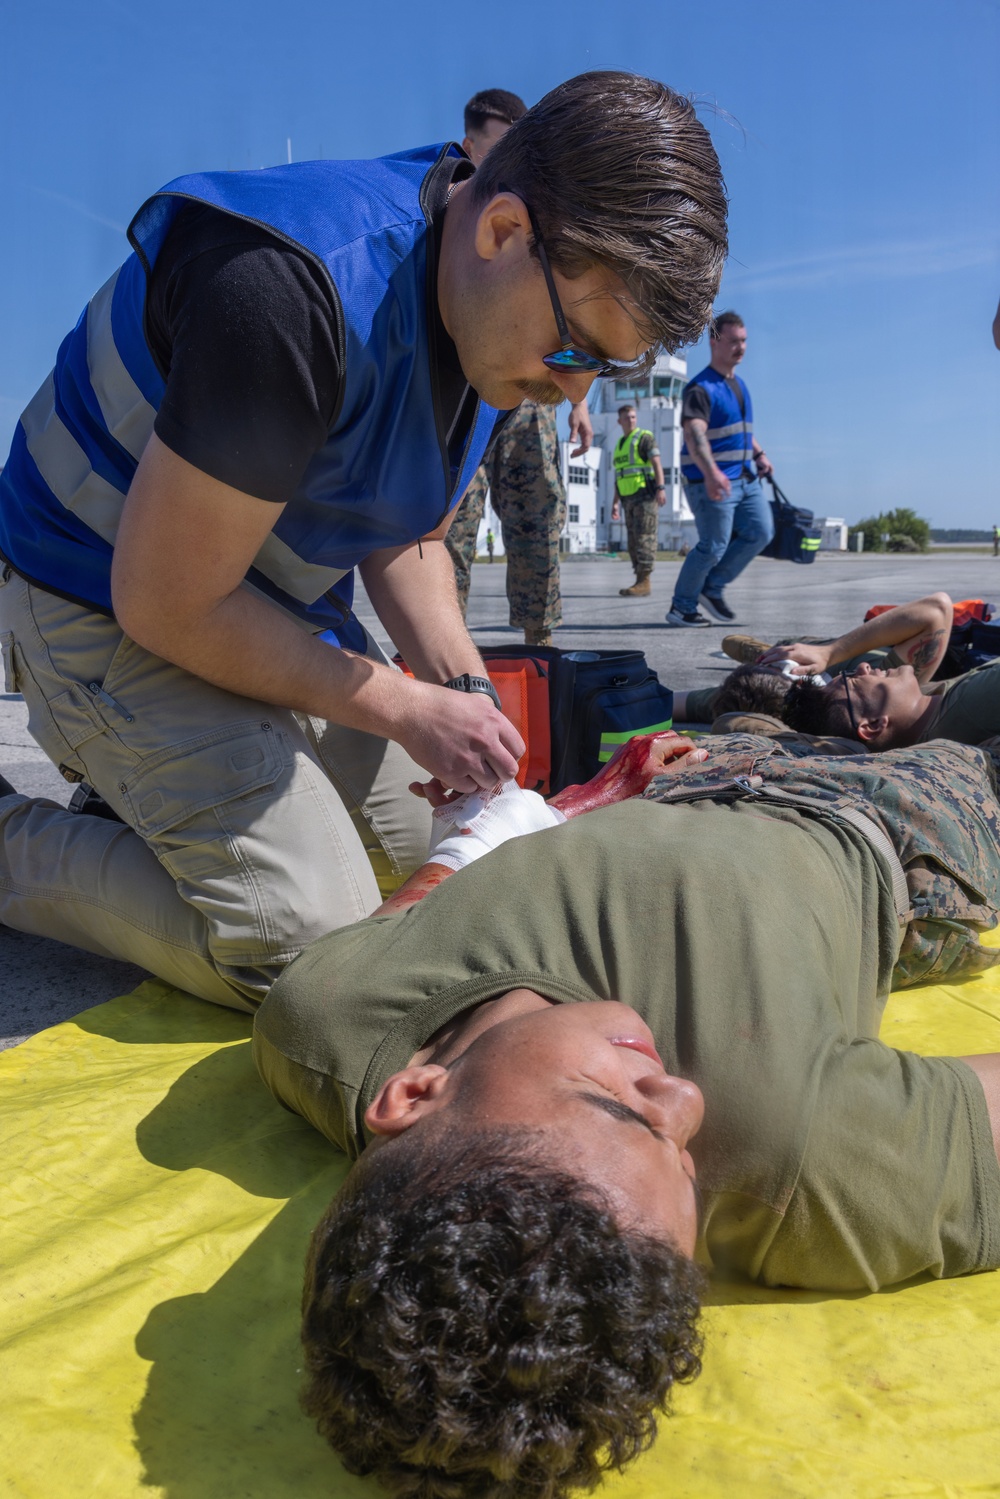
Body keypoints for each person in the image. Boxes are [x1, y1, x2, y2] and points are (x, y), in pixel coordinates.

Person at [0, 72, 728, 1009]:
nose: (577, 392)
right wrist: (404, 709)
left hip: (256, 614)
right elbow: (167, 601)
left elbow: (409, 534)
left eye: (605, 367)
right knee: (310, 949)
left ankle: (154, 807)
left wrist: (459, 691)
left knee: (428, 883)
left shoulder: (488, 324)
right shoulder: (291, 291)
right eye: (576, 352)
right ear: (504, 231)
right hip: (103, 601)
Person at [251, 729, 1000, 1499]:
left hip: (686, 768)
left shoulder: (321, 1016)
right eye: (686, 1162)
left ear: (413, 1095)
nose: (685, 1099)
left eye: (612, 1102)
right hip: (896, 814)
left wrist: (545, 809)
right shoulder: (803, 1162)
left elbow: (420, 898)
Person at [446, 87, 594, 648]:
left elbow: (568, 314)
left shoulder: (544, 216)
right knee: (450, 528)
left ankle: (540, 643)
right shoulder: (447, 209)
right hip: (459, 394)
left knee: (540, 513)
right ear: (469, 145)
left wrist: (577, 400)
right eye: (496, 149)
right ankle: (444, 655)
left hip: (529, 400)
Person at [674, 590, 954, 732]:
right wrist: (831, 652)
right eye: (774, 668)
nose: (863, 670)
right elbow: (937, 608)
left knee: (757, 646)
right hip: (835, 649)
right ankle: (769, 652)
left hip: (809, 652)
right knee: (737, 644)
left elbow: (669, 702)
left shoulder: (746, 693)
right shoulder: (886, 688)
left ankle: (768, 652)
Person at [666, 311, 773, 628]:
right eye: (734, 341)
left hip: (744, 478)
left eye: (744, 341)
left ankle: (711, 588)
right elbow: (694, 434)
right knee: (712, 547)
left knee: (761, 532)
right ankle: (681, 607)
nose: (741, 348)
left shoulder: (738, 385)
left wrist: (760, 453)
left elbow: (739, 430)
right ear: (715, 341)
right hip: (710, 481)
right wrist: (712, 473)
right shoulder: (701, 388)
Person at [611, 403, 667, 596]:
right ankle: (639, 580)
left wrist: (661, 488)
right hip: (628, 499)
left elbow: (657, 464)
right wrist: (615, 503)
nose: (631, 420)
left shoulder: (644, 439)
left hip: (645, 497)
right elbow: (620, 475)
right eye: (627, 417)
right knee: (633, 541)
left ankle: (644, 582)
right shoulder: (619, 445)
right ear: (619, 421)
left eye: (633, 417)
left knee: (645, 539)